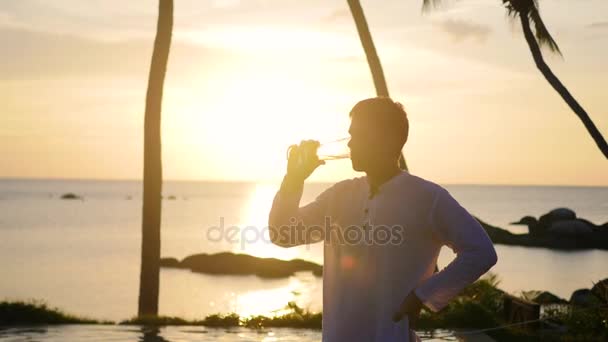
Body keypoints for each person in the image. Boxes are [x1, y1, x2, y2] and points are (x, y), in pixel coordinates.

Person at [268, 97, 498, 342]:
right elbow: (282, 235)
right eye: (350, 135)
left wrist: (423, 296)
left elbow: (481, 252)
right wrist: (293, 180)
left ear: (387, 139)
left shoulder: (428, 198)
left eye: (358, 135)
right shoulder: (339, 196)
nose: (351, 143)